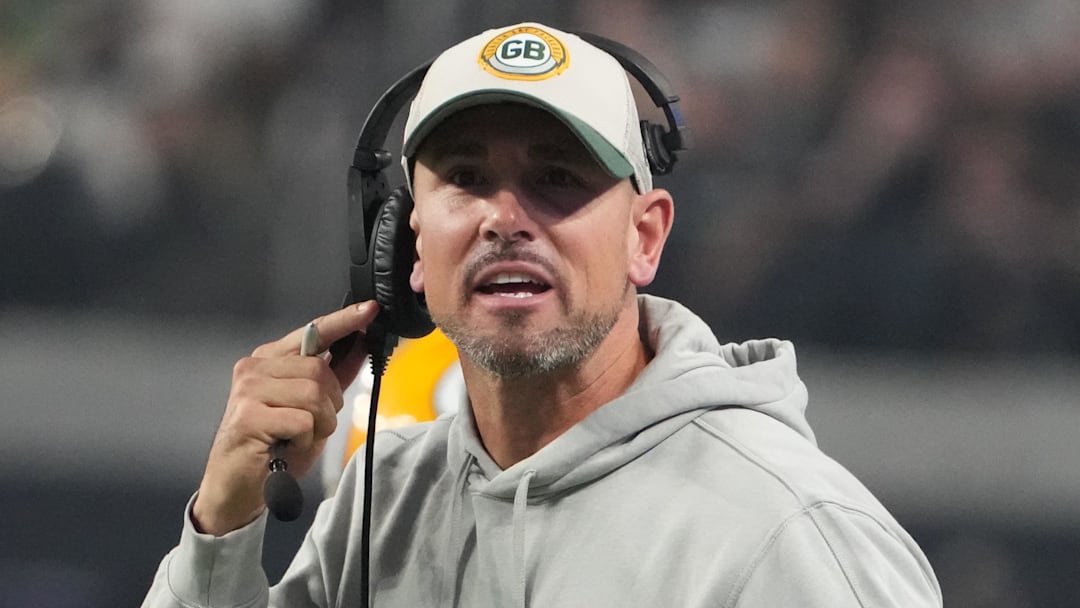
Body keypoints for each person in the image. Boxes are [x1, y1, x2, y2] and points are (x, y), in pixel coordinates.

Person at [143, 22, 942, 607]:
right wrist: (222, 521)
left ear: (645, 236)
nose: (504, 217)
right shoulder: (384, 503)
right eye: (465, 176)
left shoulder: (786, 533)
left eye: (556, 178)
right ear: (407, 242)